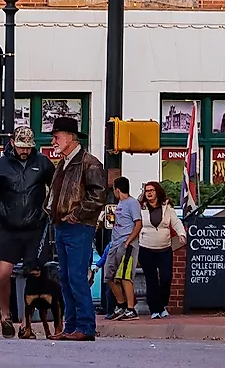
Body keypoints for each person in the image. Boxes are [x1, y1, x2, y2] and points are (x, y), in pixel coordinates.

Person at [46, 115, 109, 340]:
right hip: (63, 226)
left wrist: (76, 214)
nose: (53, 141)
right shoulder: (64, 163)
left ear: (70, 137)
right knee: (66, 277)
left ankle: (84, 327)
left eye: (56, 137)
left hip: (79, 226)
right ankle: (72, 326)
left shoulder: (89, 163)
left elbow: (99, 195)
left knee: (76, 276)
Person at [0, 122, 51, 338]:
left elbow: (56, 188)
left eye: (28, 147)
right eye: (21, 146)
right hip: (8, 225)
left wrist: (50, 211)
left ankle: (26, 323)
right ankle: (5, 314)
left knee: (33, 273)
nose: (25, 151)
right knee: (2, 273)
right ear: (13, 143)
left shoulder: (42, 163)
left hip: (35, 226)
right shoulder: (0, 166)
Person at [134, 180, 180, 319]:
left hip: (164, 248)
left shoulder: (167, 208)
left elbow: (176, 222)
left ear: (157, 192)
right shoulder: (141, 208)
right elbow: (135, 224)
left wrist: (181, 234)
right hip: (146, 247)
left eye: (151, 190)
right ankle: (155, 309)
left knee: (166, 277)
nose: (148, 193)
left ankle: (162, 305)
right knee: (151, 279)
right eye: (147, 191)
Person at [103, 175, 140, 320]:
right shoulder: (120, 204)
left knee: (125, 277)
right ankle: (121, 304)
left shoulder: (132, 203)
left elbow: (138, 224)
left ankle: (131, 309)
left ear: (117, 189)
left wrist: (128, 242)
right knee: (109, 276)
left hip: (127, 244)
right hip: (115, 243)